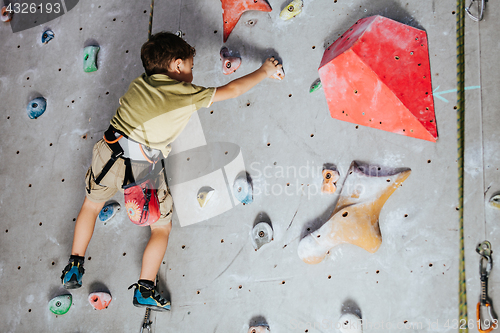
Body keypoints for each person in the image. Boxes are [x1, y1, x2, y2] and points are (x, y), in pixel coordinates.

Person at [60, 31, 283, 311]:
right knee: (161, 228)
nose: (192, 71)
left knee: (91, 206)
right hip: (141, 169)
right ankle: (145, 287)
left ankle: (74, 265)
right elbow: (232, 90)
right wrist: (264, 70)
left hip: (107, 152)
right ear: (177, 65)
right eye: (190, 65)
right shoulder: (185, 93)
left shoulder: (140, 83)